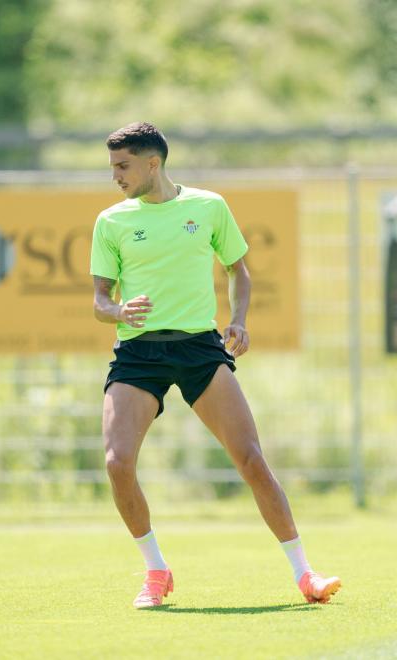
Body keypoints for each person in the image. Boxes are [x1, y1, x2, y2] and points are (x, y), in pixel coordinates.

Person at [90, 121, 341, 608]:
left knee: (250, 459)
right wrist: (118, 311)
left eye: (123, 166)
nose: (115, 176)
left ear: (152, 163)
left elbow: (238, 270)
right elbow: (100, 300)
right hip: (139, 353)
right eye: (112, 167)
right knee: (117, 463)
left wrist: (239, 320)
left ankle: (304, 574)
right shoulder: (111, 221)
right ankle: (156, 571)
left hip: (199, 349)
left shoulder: (208, 206)